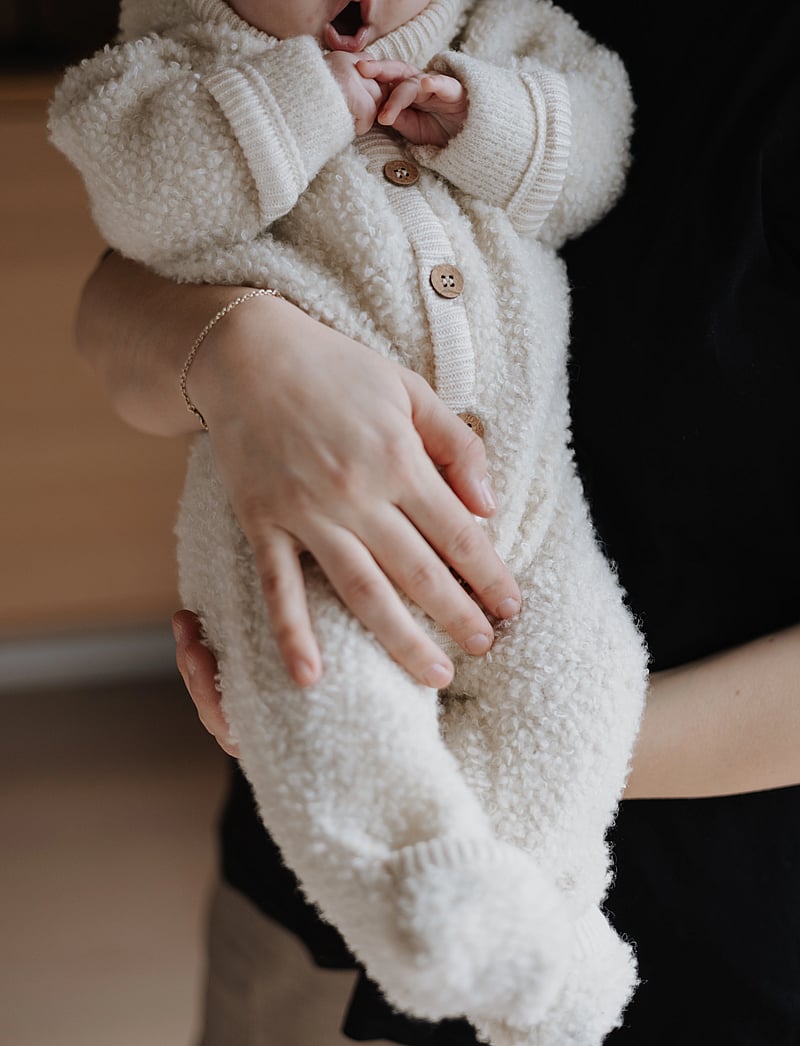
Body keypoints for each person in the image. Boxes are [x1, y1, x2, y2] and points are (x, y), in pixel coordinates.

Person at [72, 0, 800, 1044]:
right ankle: (406, 877)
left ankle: (519, 936)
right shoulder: (236, 39)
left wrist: (446, 760)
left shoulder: (526, 43)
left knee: (550, 678)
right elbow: (116, 292)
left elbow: (583, 146)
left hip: (711, 932)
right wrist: (242, 358)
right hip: (309, 920)